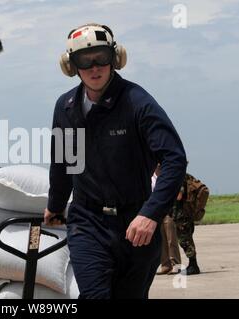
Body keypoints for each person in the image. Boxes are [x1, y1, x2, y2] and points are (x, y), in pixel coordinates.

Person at [44, 23, 187, 299]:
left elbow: (174, 158)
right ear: (71, 66)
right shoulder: (66, 108)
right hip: (88, 222)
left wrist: (150, 214)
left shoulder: (137, 102)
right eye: (85, 61)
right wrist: (55, 205)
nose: (95, 68)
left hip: (136, 225)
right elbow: (62, 163)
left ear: (116, 58)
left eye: (101, 58)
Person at [152, 164, 181, 275]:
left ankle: (176, 265)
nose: (158, 167)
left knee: (171, 239)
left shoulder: (166, 177)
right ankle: (165, 265)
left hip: (168, 212)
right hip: (156, 213)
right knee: (161, 240)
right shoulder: (151, 178)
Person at [173, 173, 200, 275]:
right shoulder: (188, 176)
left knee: (185, 241)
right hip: (187, 213)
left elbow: (179, 196)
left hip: (182, 215)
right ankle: (193, 264)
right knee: (188, 239)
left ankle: (193, 266)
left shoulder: (179, 177)